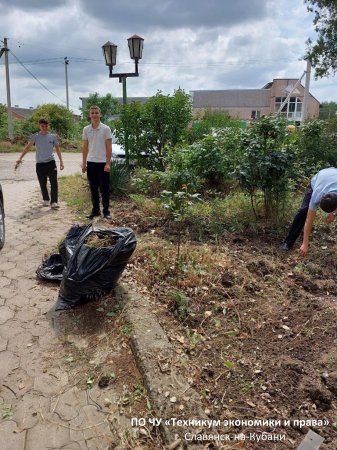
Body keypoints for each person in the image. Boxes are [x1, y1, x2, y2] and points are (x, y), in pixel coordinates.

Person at [280, 167, 337, 256]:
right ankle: (288, 242)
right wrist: (305, 243)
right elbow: (309, 220)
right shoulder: (316, 195)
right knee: (303, 212)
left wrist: (333, 213)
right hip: (320, 177)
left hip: (334, 174)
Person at [16, 118, 64, 209]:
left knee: (54, 182)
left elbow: (57, 149)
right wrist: (20, 158)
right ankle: (46, 200)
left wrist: (61, 161)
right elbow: (27, 148)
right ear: (39, 126)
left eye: (46, 126)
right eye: (42, 126)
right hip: (40, 164)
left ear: (48, 126)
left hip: (51, 163)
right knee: (42, 183)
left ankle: (54, 202)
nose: (45, 128)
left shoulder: (52, 136)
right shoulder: (35, 137)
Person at [82, 105, 112, 220]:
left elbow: (109, 147)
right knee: (93, 188)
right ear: (90, 115)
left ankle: (106, 211)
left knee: (104, 188)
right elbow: (84, 147)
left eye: (96, 113)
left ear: (100, 114)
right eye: (92, 113)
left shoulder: (106, 129)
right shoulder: (86, 129)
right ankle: (95, 211)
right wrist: (84, 163)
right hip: (91, 163)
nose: (94, 115)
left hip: (102, 163)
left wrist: (108, 163)